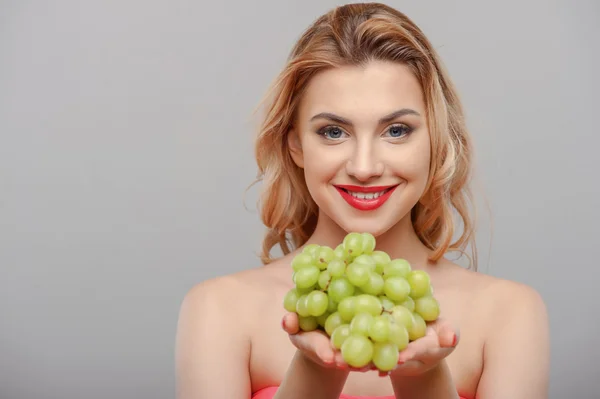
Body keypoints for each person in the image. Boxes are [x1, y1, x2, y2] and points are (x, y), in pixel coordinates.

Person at [174, 3, 550, 398]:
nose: (365, 167)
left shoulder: (510, 313)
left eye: (397, 130)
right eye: (334, 132)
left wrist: (423, 382)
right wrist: (314, 374)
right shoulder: (218, 310)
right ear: (296, 145)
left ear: (436, 142)